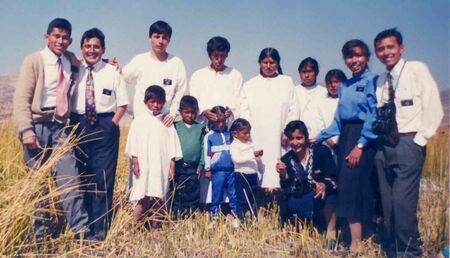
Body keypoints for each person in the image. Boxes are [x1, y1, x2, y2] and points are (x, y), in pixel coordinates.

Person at [12, 18, 90, 241]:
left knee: (70, 181)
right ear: (46, 37)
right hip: (37, 127)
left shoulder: (70, 61)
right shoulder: (34, 61)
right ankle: (41, 238)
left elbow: (88, 62)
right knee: (39, 187)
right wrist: (26, 130)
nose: (60, 41)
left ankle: (82, 234)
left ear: (70, 40)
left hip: (60, 128)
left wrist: (109, 63)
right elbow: (21, 99)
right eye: (56, 36)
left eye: (65, 37)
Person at [373, 28, 443, 258]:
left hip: (408, 143)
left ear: (401, 48)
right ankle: (393, 251)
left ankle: (411, 252)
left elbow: (434, 107)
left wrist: (419, 140)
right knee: (388, 205)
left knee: (402, 204)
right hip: (384, 146)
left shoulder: (416, 70)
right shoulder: (382, 80)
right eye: (381, 49)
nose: (386, 52)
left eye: (390, 47)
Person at [313, 39, 378, 251]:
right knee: (350, 187)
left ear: (367, 57)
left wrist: (360, 145)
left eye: (358, 55)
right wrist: (319, 137)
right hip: (346, 137)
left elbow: (373, 116)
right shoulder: (346, 86)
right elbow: (338, 121)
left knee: (353, 189)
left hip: (363, 139)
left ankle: (356, 244)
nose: (354, 60)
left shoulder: (373, 81)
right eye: (349, 57)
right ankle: (364, 237)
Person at [70, 28, 129, 240]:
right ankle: (82, 229)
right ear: (81, 48)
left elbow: (122, 103)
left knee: (103, 178)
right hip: (78, 125)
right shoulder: (74, 69)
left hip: (105, 125)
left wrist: (112, 125)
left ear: (103, 49)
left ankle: (99, 231)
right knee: (81, 177)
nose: (91, 50)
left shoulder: (113, 72)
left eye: (96, 46)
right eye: (88, 46)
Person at [240, 48, 299, 209]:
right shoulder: (250, 84)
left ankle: (281, 210)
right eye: (265, 62)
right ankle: (260, 210)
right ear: (259, 63)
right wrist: (247, 134)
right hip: (257, 136)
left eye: (272, 62)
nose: (268, 66)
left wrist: (288, 131)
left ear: (278, 63)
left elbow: (293, 108)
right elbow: (244, 111)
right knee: (260, 173)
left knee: (279, 172)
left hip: (280, 137)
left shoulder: (286, 81)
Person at [188, 36, 244, 206]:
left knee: (227, 163)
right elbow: (193, 101)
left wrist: (230, 111)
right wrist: (204, 111)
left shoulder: (235, 74)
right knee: (209, 160)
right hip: (206, 128)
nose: (219, 60)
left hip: (227, 129)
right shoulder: (198, 75)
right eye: (215, 56)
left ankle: (227, 204)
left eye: (223, 56)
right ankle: (207, 203)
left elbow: (240, 100)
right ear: (210, 55)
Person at [125, 85, 182, 227]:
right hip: (144, 164)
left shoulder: (167, 122)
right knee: (142, 195)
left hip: (161, 164)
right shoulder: (139, 121)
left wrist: (172, 165)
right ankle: (134, 226)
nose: (156, 105)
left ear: (164, 103)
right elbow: (133, 143)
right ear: (146, 103)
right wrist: (135, 162)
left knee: (158, 195)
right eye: (152, 102)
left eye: (159, 102)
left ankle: (155, 227)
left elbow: (173, 144)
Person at [276, 120, 337, 243]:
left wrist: (324, 184)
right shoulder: (286, 159)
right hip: (301, 196)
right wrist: (284, 175)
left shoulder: (321, 151)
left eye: (299, 138)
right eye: (291, 139)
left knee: (329, 197)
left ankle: (332, 233)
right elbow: (286, 188)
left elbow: (333, 176)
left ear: (306, 137)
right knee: (290, 203)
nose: (295, 143)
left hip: (320, 194)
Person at [122, 20, 187, 125]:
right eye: (157, 37)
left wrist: (173, 114)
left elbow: (180, 92)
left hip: (165, 122)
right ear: (150, 38)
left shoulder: (176, 63)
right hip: (141, 121)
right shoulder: (140, 60)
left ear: (169, 40)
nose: (160, 41)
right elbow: (121, 80)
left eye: (164, 37)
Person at [203, 106, 240, 226]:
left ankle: (235, 215)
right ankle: (214, 217)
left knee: (233, 193)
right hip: (217, 171)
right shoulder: (209, 136)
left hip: (231, 169)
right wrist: (207, 169)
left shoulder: (230, 133)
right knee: (216, 194)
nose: (221, 124)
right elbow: (207, 153)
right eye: (218, 121)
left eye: (223, 121)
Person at [170, 95, 205, 218]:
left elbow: (203, 147)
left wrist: (201, 165)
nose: (190, 115)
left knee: (193, 192)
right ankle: (175, 216)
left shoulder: (200, 128)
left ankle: (191, 216)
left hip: (193, 168)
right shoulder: (175, 126)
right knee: (177, 192)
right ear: (180, 112)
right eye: (187, 112)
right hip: (178, 167)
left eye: (193, 113)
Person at [229, 118, 263, 219]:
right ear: (235, 134)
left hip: (252, 174)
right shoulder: (235, 145)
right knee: (243, 199)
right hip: (242, 175)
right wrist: (252, 155)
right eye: (245, 133)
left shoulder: (250, 144)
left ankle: (253, 219)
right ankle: (241, 219)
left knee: (253, 198)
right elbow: (237, 160)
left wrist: (257, 156)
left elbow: (253, 159)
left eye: (249, 133)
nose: (248, 135)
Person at [295, 57, 328, 138]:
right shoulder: (294, 91)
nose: (307, 75)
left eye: (310, 71)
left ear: (316, 73)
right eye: (303, 72)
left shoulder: (324, 92)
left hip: (319, 137)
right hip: (299, 139)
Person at [317, 69, 347, 152]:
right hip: (327, 147)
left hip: (347, 146)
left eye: (336, 82)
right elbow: (321, 127)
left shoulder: (348, 101)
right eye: (330, 82)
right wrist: (332, 145)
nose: (333, 85)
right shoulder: (321, 103)